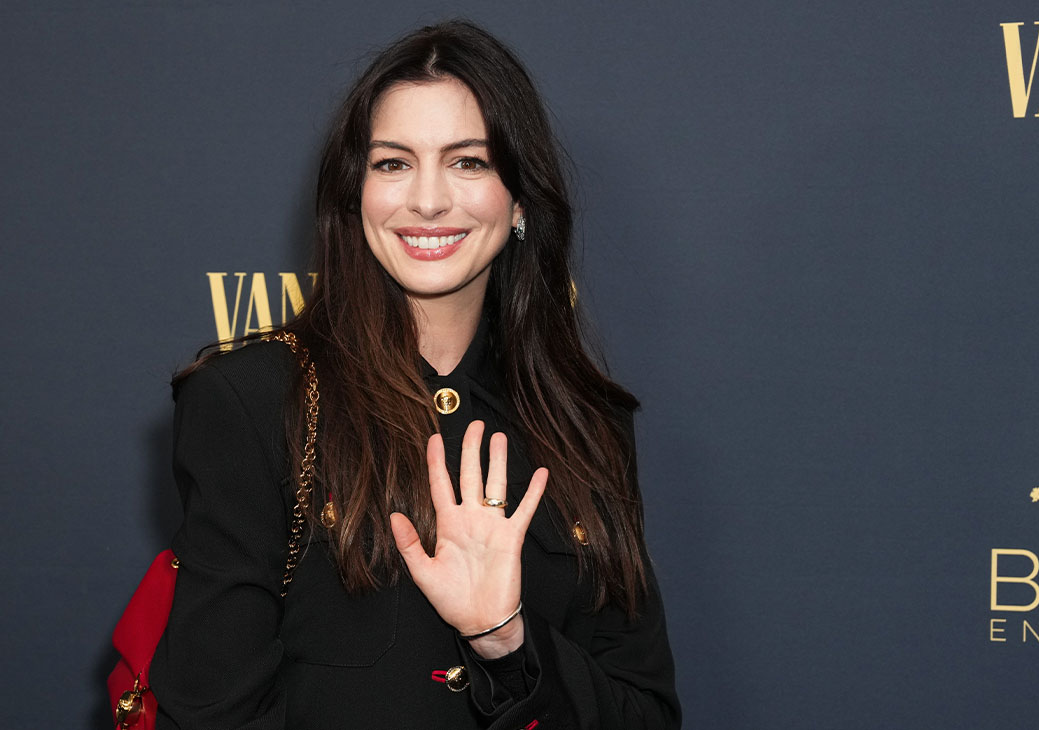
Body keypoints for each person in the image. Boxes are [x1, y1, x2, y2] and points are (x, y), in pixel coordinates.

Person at [150, 19, 680, 729]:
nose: (427, 201)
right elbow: (210, 708)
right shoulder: (253, 400)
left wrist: (508, 640)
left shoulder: (585, 422)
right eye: (393, 163)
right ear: (353, 194)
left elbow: (643, 715)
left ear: (519, 199)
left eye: (469, 162)